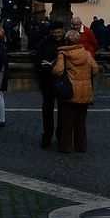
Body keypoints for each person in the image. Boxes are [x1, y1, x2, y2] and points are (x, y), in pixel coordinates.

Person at [53, 31, 100, 153]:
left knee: (67, 121)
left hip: (70, 91)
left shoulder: (63, 54)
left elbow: (58, 71)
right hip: (84, 91)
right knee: (80, 121)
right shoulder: (87, 54)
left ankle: (66, 146)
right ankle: (81, 145)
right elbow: (95, 70)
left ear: (67, 41)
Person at [33, 20, 65, 149]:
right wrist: (43, 66)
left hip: (62, 80)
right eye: (55, 32)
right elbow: (37, 59)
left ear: (62, 31)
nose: (57, 34)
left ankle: (61, 135)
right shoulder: (44, 42)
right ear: (51, 32)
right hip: (47, 80)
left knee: (63, 109)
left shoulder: (67, 42)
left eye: (59, 32)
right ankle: (47, 135)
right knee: (47, 109)